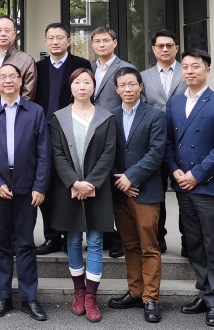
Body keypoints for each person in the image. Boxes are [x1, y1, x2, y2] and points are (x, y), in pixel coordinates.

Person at [165, 49, 214, 327]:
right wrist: (175, 170)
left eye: (195, 66)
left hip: (209, 185)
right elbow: (169, 142)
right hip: (183, 184)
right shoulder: (174, 103)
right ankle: (204, 293)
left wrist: (196, 174)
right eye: (185, 67)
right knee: (193, 243)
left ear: (208, 70)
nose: (190, 71)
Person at [0, 64, 50, 321]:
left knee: (26, 243)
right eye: (2, 77)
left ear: (21, 81)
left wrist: (40, 186)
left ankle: (29, 297)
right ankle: (3, 296)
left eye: (13, 76)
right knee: (0, 243)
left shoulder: (35, 111)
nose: (8, 80)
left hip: (27, 187)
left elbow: (44, 151)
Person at [50, 68, 116, 323]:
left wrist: (90, 183)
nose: (82, 86)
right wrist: (74, 183)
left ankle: (91, 296)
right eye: (77, 82)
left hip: (97, 189)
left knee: (96, 242)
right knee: (74, 241)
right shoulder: (59, 117)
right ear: (71, 86)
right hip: (69, 189)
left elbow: (109, 153)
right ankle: (78, 292)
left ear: (93, 87)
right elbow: (57, 153)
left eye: (87, 82)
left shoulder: (106, 117)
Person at [107, 67, 167, 323]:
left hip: (146, 191)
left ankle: (151, 298)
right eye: (122, 85)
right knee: (129, 245)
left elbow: (156, 153)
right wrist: (119, 181)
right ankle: (135, 292)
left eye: (132, 84)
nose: (128, 89)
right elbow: (106, 153)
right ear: (116, 89)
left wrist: (131, 177)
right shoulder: (109, 117)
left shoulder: (156, 116)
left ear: (141, 87)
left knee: (149, 246)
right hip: (120, 192)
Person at [0, 15, 37, 255]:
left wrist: (15, 114)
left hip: (17, 121)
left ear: (15, 33)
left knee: (18, 187)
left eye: (7, 30)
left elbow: (28, 94)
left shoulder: (25, 59)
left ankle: (14, 237)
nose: (3, 34)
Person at [34, 22, 92, 257]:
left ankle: (70, 236)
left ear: (69, 41)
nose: (55, 41)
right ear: (46, 41)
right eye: (51, 38)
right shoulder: (38, 67)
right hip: (43, 131)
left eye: (60, 37)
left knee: (70, 181)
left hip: (72, 128)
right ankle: (52, 237)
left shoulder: (81, 64)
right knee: (46, 183)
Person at [141, 29, 188, 255]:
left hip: (184, 141)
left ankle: (188, 240)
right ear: (153, 49)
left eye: (169, 45)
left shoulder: (187, 71)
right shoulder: (144, 76)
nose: (165, 49)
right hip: (155, 142)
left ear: (176, 48)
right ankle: (159, 237)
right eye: (160, 46)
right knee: (156, 192)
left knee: (185, 193)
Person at [90, 26, 134, 258]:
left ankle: (120, 238)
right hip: (91, 135)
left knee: (116, 186)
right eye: (97, 41)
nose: (101, 45)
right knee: (99, 186)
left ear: (114, 43)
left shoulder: (126, 68)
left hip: (117, 133)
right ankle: (106, 234)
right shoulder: (89, 69)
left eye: (105, 40)